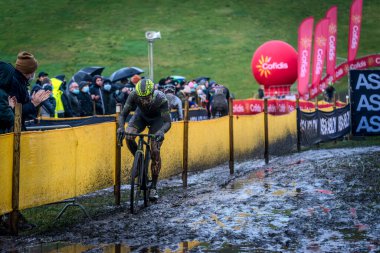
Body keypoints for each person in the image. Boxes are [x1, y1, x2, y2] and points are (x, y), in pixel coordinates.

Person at [117, 79, 171, 201]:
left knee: (155, 150)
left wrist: (161, 131)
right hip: (140, 116)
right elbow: (122, 115)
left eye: (147, 98)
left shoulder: (161, 98)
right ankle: (139, 161)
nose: (144, 101)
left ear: (152, 93)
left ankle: (153, 186)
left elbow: (167, 122)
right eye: (141, 98)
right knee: (129, 135)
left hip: (157, 120)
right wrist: (121, 128)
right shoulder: (134, 94)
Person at [0, 51, 50, 133]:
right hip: (12, 133)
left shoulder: (21, 82)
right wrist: (33, 104)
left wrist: (36, 103)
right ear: (29, 72)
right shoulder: (14, 83)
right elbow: (14, 112)